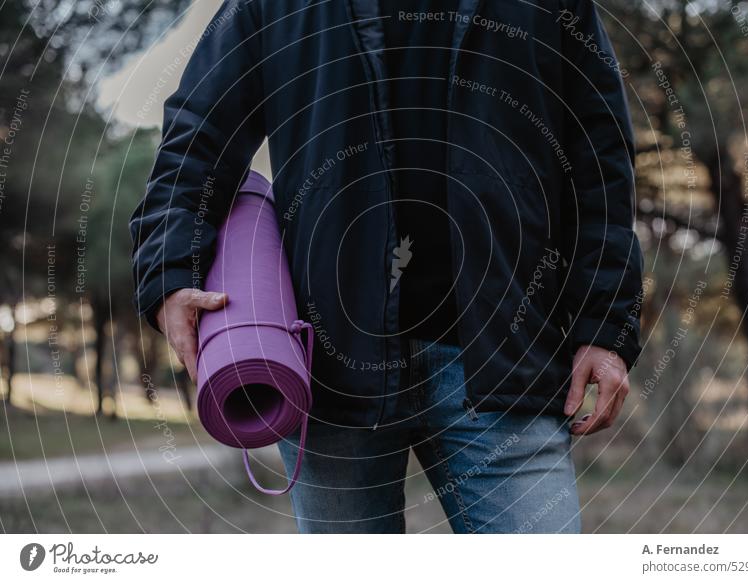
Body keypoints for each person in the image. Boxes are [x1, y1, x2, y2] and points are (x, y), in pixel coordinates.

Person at [130, 0, 643, 533]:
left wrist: (605, 324)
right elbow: (198, 134)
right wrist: (169, 272)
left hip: (506, 358)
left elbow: (600, 154)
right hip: (331, 365)